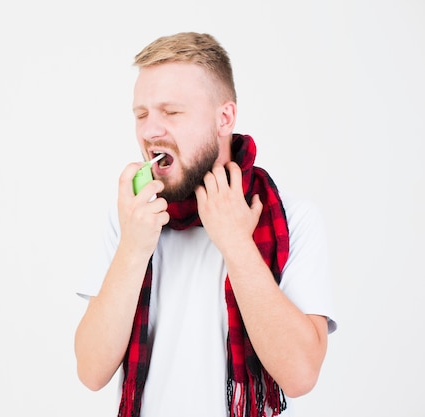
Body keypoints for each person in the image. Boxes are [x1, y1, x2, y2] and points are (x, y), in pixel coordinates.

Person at [74, 32, 337, 417]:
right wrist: (132, 248)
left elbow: (300, 374)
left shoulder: (294, 218)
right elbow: (91, 371)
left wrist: (236, 244)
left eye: (172, 112)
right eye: (142, 114)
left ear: (224, 118)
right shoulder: (132, 218)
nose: (150, 131)